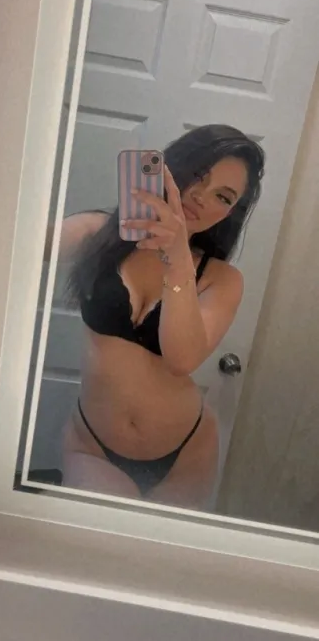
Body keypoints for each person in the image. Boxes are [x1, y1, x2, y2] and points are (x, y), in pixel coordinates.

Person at [56, 125, 265, 507]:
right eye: (198, 175)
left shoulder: (222, 279)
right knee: (100, 539)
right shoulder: (95, 233)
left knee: (160, 548)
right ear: (171, 166)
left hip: (187, 453)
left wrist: (178, 257)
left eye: (222, 196)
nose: (201, 196)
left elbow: (181, 360)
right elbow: (14, 244)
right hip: (94, 445)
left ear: (229, 212)